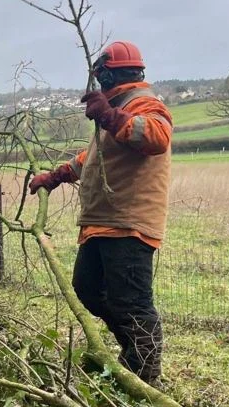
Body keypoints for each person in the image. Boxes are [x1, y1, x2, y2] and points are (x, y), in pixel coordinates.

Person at [29, 40, 172, 386]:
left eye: (100, 79)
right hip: (102, 224)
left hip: (128, 224)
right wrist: (56, 176)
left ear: (108, 76)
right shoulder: (116, 114)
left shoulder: (143, 104)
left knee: (132, 304)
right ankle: (133, 352)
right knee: (89, 290)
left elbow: (157, 136)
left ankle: (145, 375)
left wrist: (110, 115)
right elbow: (91, 159)